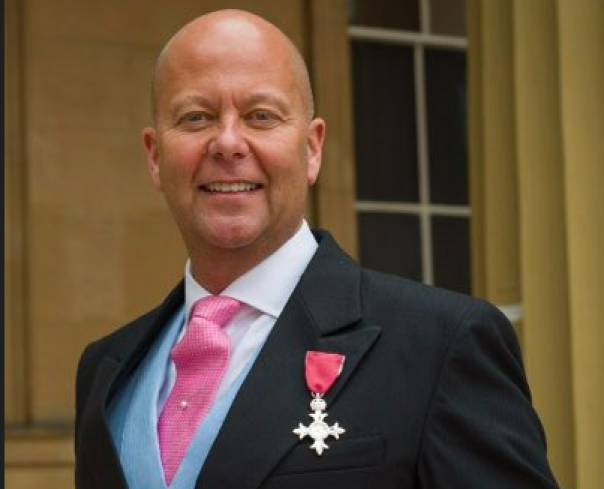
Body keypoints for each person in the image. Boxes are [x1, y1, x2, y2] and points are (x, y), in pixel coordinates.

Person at [74, 9, 560, 489]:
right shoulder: (106, 370)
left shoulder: (441, 345)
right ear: (155, 156)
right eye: (196, 117)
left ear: (312, 148)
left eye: (260, 116)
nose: (227, 143)